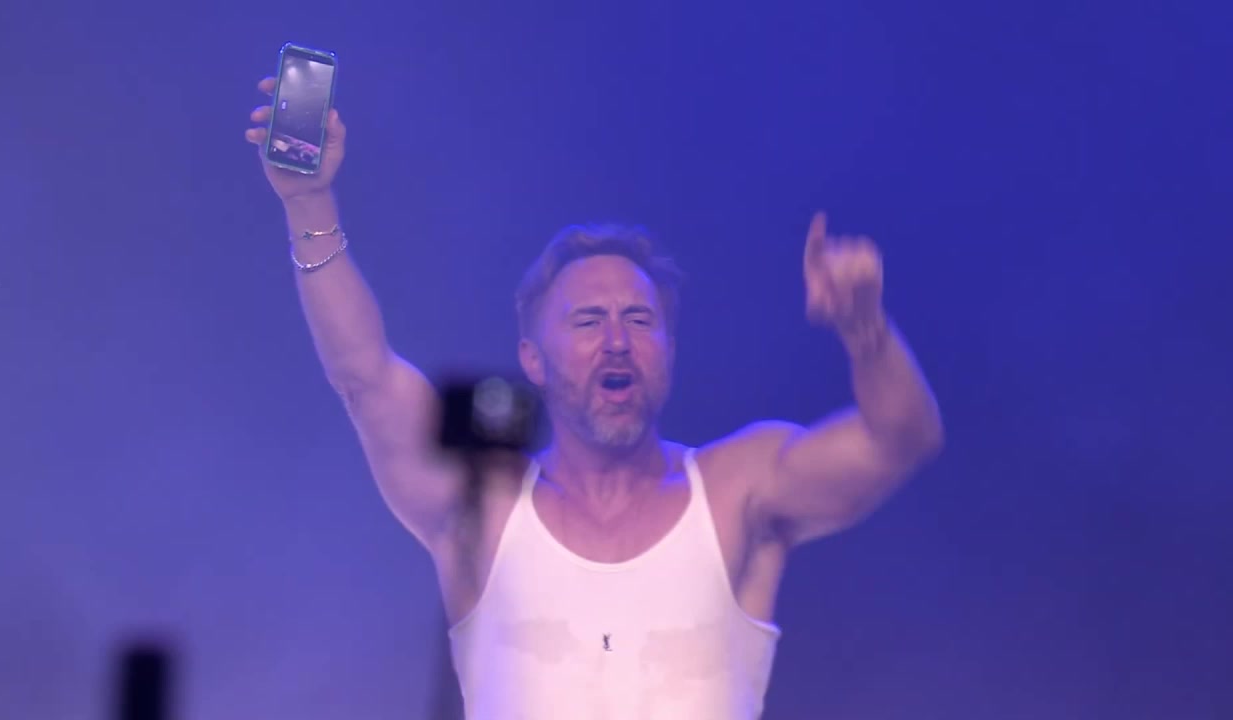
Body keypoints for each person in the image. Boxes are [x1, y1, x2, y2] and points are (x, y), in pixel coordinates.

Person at [245, 75, 944, 719]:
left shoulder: (739, 488)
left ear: (669, 350)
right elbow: (364, 377)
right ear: (533, 360)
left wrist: (866, 331)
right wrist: (308, 202)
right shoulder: (483, 508)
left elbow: (902, 439)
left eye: (639, 320)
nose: (616, 341)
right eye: (587, 321)